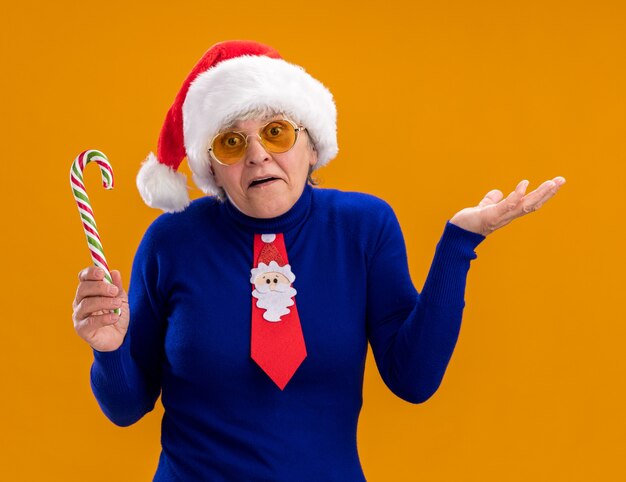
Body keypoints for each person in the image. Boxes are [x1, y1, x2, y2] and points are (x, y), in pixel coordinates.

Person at [72, 40, 565, 481]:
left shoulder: (365, 227)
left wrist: (459, 242)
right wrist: (109, 349)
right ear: (213, 171)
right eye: (231, 142)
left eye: (277, 132)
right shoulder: (170, 241)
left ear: (312, 147)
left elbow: (413, 380)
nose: (258, 155)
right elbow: (125, 406)